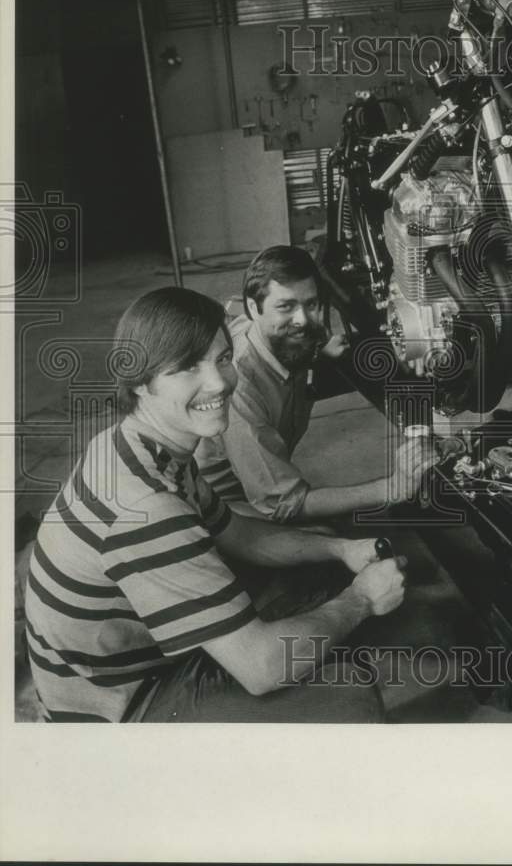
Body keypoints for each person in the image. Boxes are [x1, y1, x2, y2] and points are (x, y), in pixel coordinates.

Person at [24, 287, 409, 724]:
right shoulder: (148, 508)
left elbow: (237, 533)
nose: (220, 382)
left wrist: (341, 550)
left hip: (123, 666)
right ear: (137, 380)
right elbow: (263, 667)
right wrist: (361, 600)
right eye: (187, 366)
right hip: (122, 710)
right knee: (348, 697)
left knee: (321, 566)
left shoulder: (141, 447)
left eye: (223, 358)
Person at [195, 245, 435, 523]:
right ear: (253, 308)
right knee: (334, 543)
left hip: (253, 479)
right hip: (223, 504)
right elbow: (283, 505)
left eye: (311, 304)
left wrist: (320, 353)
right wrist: (394, 487)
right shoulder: (240, 388)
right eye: (285, 306)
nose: (302, 320)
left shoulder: (279, 335)